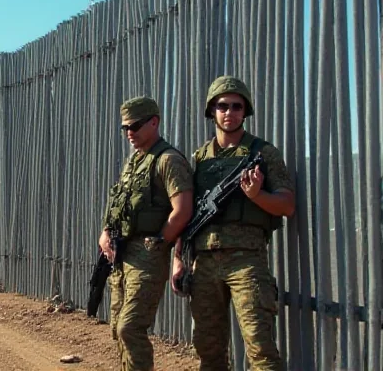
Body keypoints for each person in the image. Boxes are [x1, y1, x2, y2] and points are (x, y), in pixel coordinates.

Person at [171, 76, 295, 371]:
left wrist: (256, 195)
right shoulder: (199, 158)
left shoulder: (263, 154)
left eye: (237, 106)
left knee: (261, 349)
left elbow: (287, 204)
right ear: (212, 111)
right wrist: (177, 260)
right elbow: (184, 213)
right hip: (204, 263)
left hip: (247, 260)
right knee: (208, 349)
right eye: (222, 106)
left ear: (245, 111)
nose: (229, 112)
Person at [100, 96, 193, 370]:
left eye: (136, 125)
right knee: (117, 326)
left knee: (130, 326)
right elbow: (118, 203)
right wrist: (104, 233)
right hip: (123, 253)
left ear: (155, 122)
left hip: (147, 255)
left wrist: (162, 242)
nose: (130, 132)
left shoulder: (169, 160)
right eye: (125, 128)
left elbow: (183, 209)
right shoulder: (134, 162)